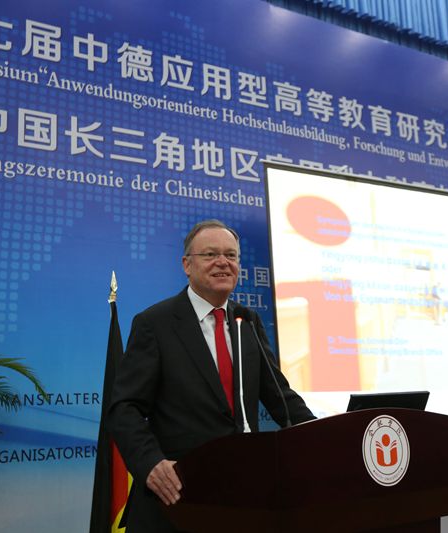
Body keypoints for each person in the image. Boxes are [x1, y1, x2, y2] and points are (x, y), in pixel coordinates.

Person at [108, 219, 315, 532]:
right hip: (177, 498)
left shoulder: (248, 321)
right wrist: (150, 463)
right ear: (187, 265)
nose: (223, 262)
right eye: (210, 254)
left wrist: (322, 436)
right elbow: (125, 407)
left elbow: (281, 398)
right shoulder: (155, 323)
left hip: (241, 498)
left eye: (231, 255)